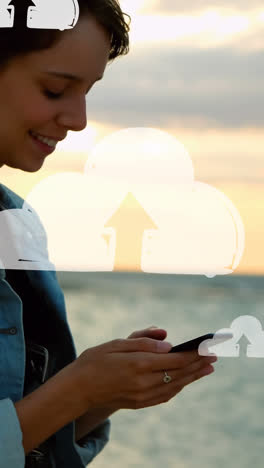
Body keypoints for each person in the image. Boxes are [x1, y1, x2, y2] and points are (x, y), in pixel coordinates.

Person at [0, 1, 217, 467]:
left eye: (88, 91)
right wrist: (77, 387)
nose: (78, 119)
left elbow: (27, 443)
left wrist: (103, 393)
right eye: (56, 89)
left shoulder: (18, 227)